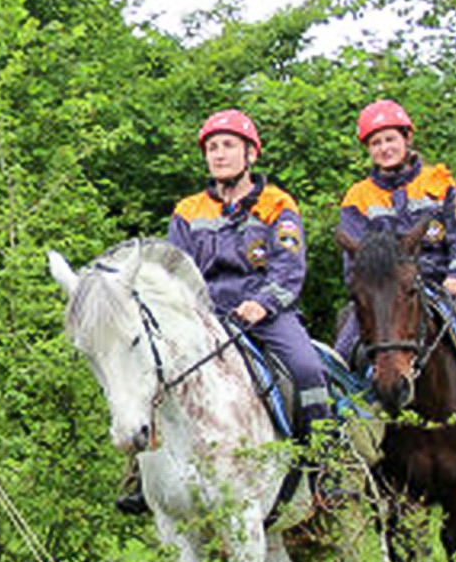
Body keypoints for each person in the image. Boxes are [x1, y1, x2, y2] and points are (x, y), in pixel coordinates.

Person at [119, 108, 331, 514]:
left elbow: (290, 269)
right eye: (212, 148)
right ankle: (141, 474)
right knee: (151, 367)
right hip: (205, 317)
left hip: (266, 315)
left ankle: (325, 465)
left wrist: (262, 304)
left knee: (306, 368)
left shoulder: (276, 204)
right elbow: (172, 272)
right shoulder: (188, 210)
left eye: (228, 146)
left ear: (250, 154)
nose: (219, 154)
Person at [336, 99, 456, 472]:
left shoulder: (439, 183)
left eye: (390, 139)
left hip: (449, 285)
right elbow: (354, 260)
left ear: (407, 139)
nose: (384, 148)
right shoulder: (357, 197)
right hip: (387, 297)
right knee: (340, 355)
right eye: (375, 143)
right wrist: (372, 291)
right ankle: (343, 444)